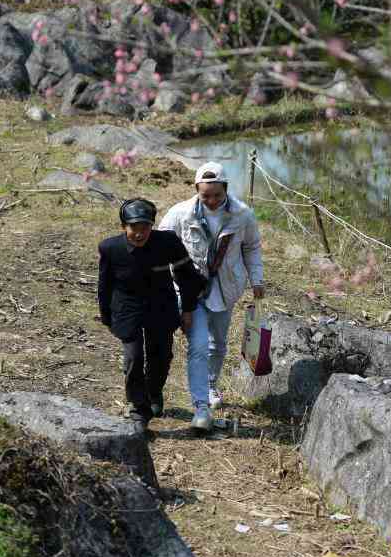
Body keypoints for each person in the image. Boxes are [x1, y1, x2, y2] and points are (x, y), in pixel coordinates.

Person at [159, 162, 265, 432]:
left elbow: (252, 247)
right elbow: (159, 243)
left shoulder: (242, 214)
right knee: (198, 345)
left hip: (225, 287)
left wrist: (257, 279)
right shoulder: (181, 213)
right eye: (206, 195)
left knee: (218, 343)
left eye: (217, 194)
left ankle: (210, 384)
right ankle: (201, 406)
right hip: (190, 289)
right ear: (196, 189)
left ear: (226, 189)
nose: (212, 200)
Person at [98, 197, 205, 428]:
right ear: (123, 226)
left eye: (145, 227)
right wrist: (107, 316)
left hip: (160, 304)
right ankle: (138, 408)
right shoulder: (110, 248)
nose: (139, 233)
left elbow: (187, 276)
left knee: (161, 356)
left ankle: (153, 393)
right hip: (127, 307)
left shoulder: (167, 242)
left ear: (152, 226)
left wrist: (188, 310)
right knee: (134, 357)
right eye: (133, 227)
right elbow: (104, 285)